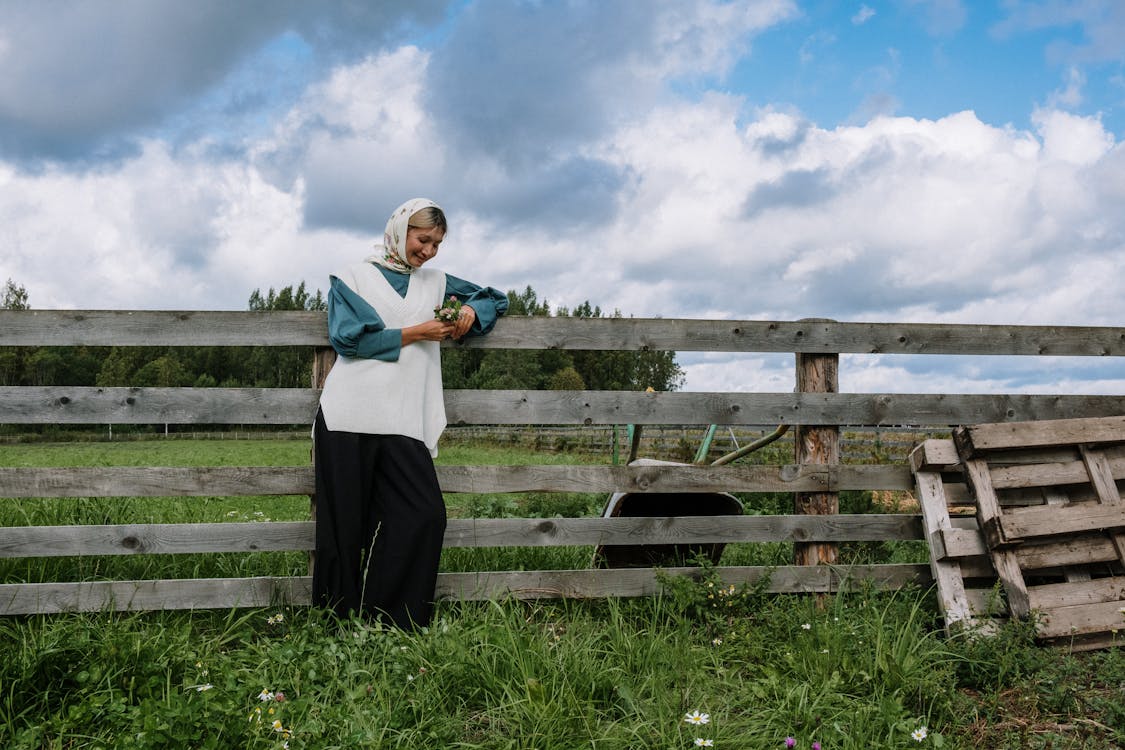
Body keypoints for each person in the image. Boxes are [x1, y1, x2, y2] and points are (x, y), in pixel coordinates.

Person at [313, 198, 508, 628]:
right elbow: (351, 338)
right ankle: (336, 626)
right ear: (400, 230)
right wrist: (419, 332)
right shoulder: (353, 275)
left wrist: (471, 311)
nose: (429, 251)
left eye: (438, 243)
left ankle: (392, 622)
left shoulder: (437, 283)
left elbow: (495, 297)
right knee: (344, 527)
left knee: (423, 514)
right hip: (348, 415)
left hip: (402, 419)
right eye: (423, 240)